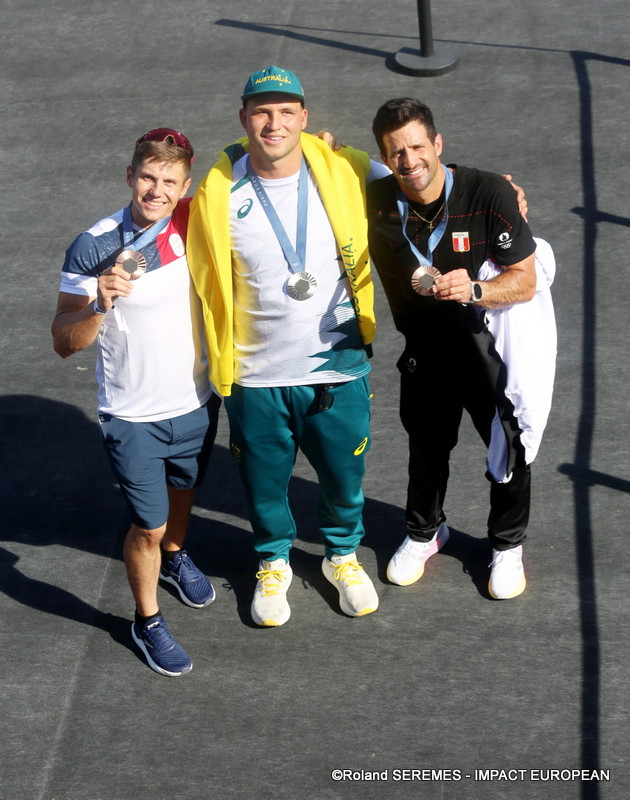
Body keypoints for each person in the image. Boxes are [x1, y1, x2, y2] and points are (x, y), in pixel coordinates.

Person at [187, 66, 388, 626]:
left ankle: (341, 556)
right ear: (243, 118)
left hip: (337, 366)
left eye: (285, 112)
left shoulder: (346, 170)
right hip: (255, 372)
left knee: (345, 479)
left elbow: (421, 183)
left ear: (305, 118)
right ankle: (272, 561)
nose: (273, 123)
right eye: (261, 111)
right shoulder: (217, 192)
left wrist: (497, 194)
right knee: (264, 483)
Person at [367, 98, 556, 599]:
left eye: (416, 146)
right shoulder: (377, 199)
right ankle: (425, 533)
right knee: (425, 449)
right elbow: (315, 166)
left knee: (509, 445)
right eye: (396, 152)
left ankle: (506, 545)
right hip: (424, 348)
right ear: (385, 156)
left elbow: (526, 280)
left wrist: (474, 289)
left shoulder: (489, 192)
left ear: (437, 144)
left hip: (484, 347)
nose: (409, 161)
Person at [52, 129, 221, 676]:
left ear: (183, 186)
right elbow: (62, 340)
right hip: (131, 415)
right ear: (130, 176)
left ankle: (175, 557)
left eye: (168, 181)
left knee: (183, 493)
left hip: (196, 400)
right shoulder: (94, 245)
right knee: (145, 525)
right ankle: (146, 621)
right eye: (148, 176)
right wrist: (98, 305)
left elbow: (257, 174)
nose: (156, 190)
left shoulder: (194, 219)